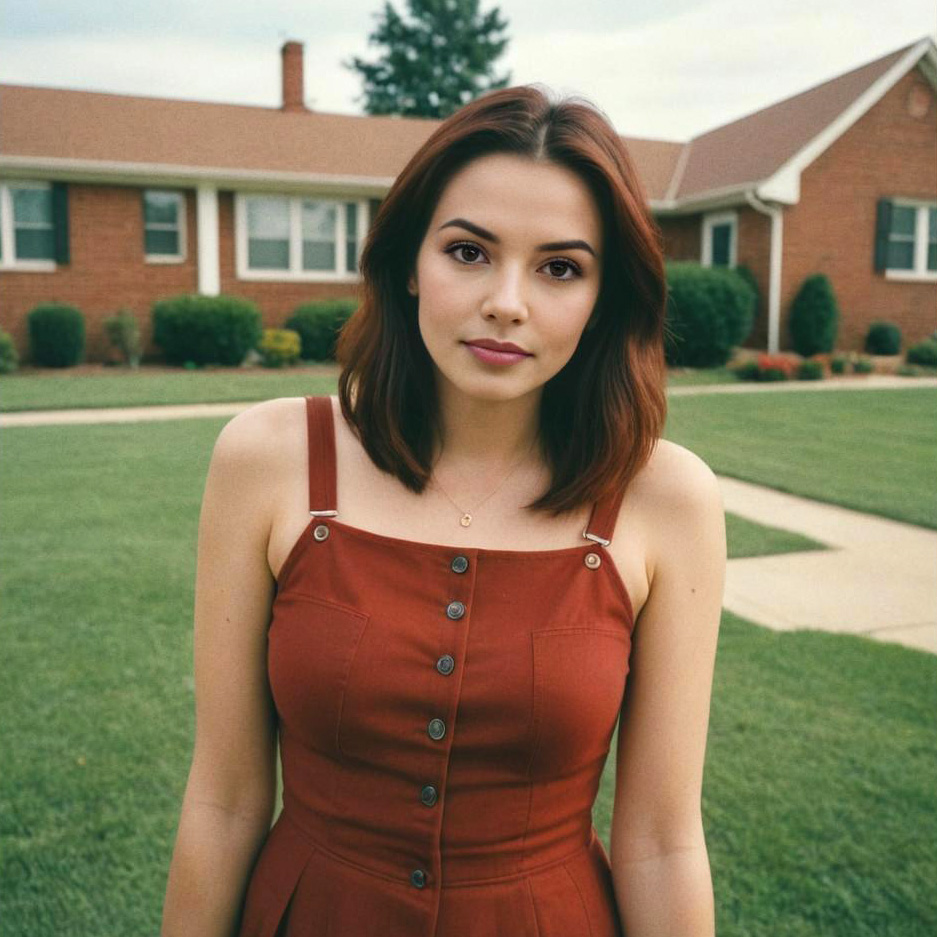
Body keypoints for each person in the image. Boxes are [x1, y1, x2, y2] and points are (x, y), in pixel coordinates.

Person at [161, 83, 726, 937]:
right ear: (407, 264)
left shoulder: (666, 500)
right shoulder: (268, 460)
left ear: (605, 299)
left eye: (559, 267)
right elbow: (226, 797)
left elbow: (659, 841)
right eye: (468, 252)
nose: (507, 299)